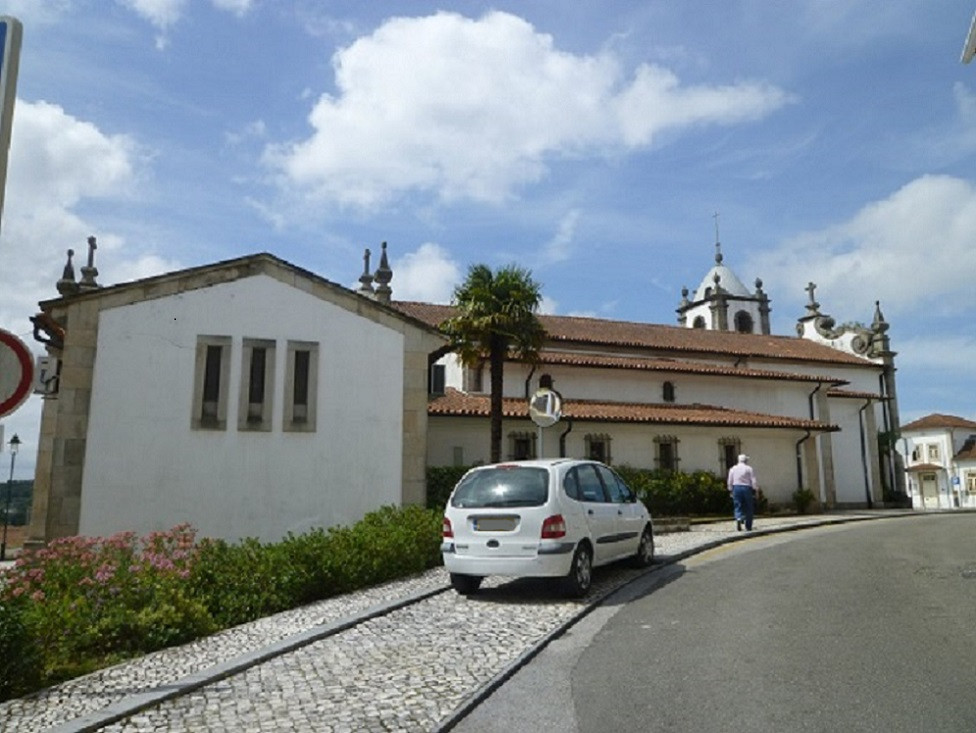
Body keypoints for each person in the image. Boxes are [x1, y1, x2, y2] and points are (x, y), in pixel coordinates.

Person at [727, 454, 758, 531]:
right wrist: (755, 489)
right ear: (746, 460)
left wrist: (730, 489)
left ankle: (738, 517)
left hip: (736, 487)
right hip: (746, 488)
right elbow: (753, 480)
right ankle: (748, 526)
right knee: (748, 506)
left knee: (738, 505)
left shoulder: (733, 469)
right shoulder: (749, 469)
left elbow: (730, 480)